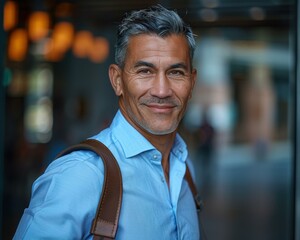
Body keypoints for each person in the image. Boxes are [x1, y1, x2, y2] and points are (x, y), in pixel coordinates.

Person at [14, 4, 199, 239]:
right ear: (117, 80)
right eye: (145, 71)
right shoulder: (79, 175)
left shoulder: (184, 168)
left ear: (191, 82)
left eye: (176, 72)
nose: (162, 90)